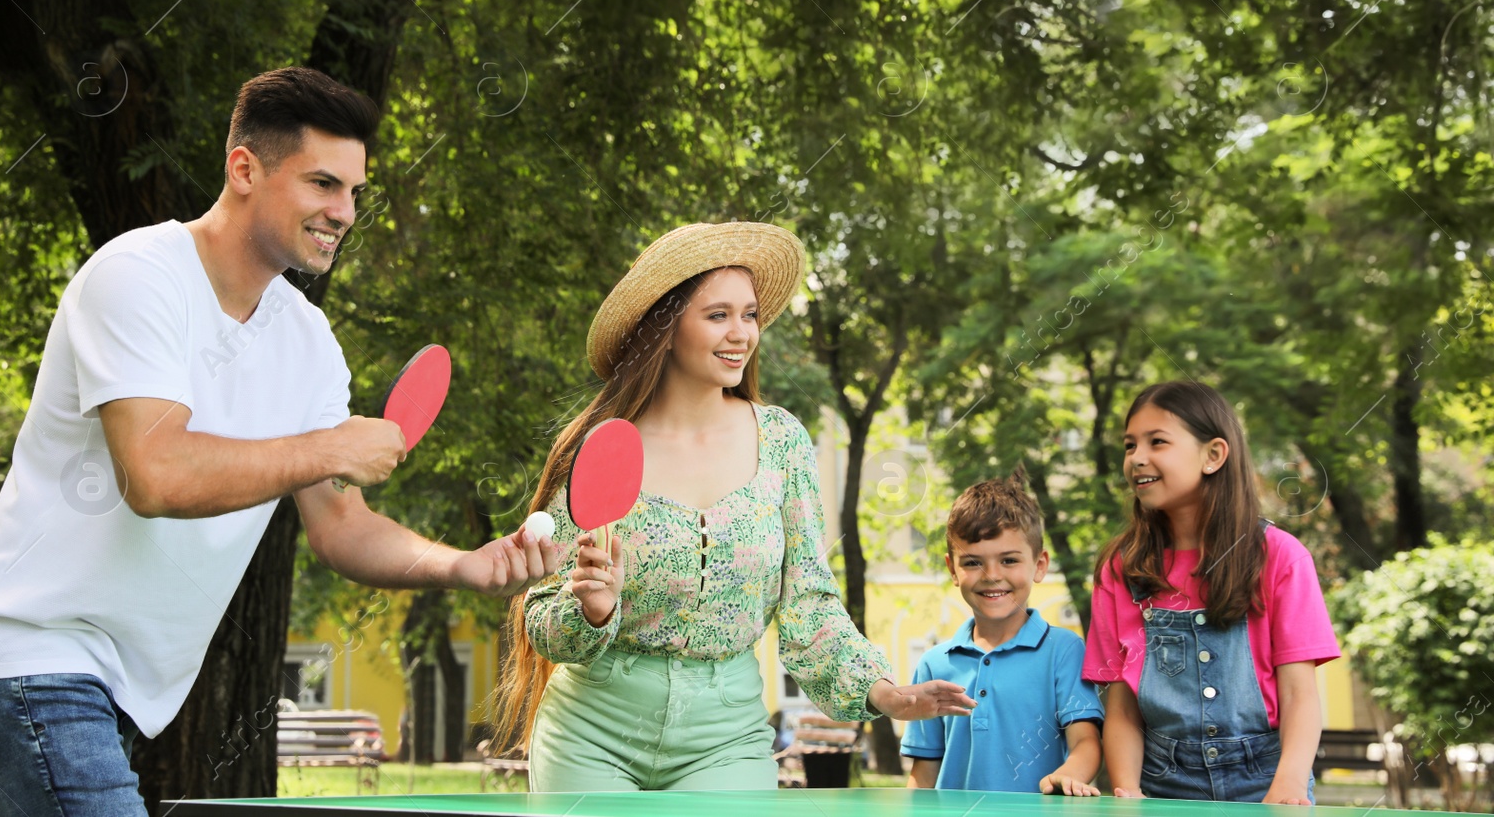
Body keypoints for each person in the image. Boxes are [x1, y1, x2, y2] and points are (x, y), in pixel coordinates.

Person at [0, 68, 559, 816]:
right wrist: (327, 447)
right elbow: (155, 474)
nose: (344, 212)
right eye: (322, 184)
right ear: (244, 169)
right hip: (20, 652)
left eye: (354, 191)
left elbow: (341, 525)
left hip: (115, 684)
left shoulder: (309, 341)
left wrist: (463, 565)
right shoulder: (136, 278)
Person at [493, 221, 974, 791]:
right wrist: (591, 610)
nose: (741, 333)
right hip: (591, 736)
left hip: (725, 739)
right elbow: (540, 616)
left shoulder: (782, 443)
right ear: (666, 328)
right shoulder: (602, 447)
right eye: (718, 314)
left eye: (749, 315)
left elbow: (810, 608)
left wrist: (885, 693)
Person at [1082, 380, 1339, 804]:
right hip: (1162, 784)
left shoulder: (1280, 557)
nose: (1137, 458)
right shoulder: (1122, 568)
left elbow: (1299, 694)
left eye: (1157, 441)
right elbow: (1123, 706)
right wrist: (1129, 792)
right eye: (1130, 445)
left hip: (1268, 779)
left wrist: (1289, 784)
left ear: (1214, 455)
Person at [902, 477, 1104, 794]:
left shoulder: (1064, 651)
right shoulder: (933, 665)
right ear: (953, 570)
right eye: (973, 562)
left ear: (1040, 565)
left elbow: (1086, 741)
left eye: (1009, 560)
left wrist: (1069, 775)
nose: (992, 575)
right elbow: (924, 773)